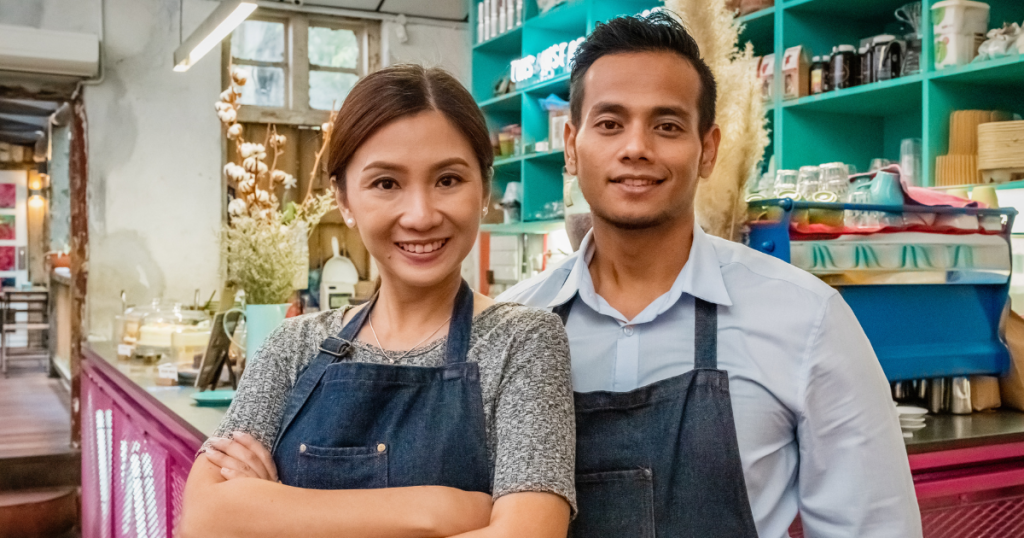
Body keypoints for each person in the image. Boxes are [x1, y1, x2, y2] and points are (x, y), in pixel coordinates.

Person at [500, 12, 922, 538]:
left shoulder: (806, 318)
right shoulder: (512, 328)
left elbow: (874, 529)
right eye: (610, 124)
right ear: (570, 145)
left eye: (668, 125)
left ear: (709, 149)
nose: (636, 147)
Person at [179, 65, 575, 538]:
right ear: (344, 200)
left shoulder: (525, 342)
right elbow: (204, 521)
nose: (421, 215)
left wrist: (271, 509)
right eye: (386, 183)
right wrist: (440, 511)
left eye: (448, 180)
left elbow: (529, 534)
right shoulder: (293, 346)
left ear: (484, 191)